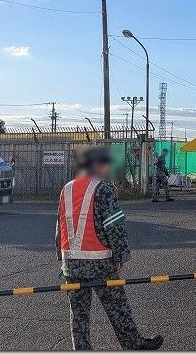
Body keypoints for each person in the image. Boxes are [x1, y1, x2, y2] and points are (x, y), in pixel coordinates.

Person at [56, 146, 163, 350]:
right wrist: (120, 255)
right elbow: (114, 225)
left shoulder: (66, 189)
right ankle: (134, 344)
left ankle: (81, 348)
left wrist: (61, 259)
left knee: (78, 313)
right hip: (100, 262)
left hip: (71, 263)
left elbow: (60, 225)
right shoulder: (102, 188)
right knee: (117, 306)